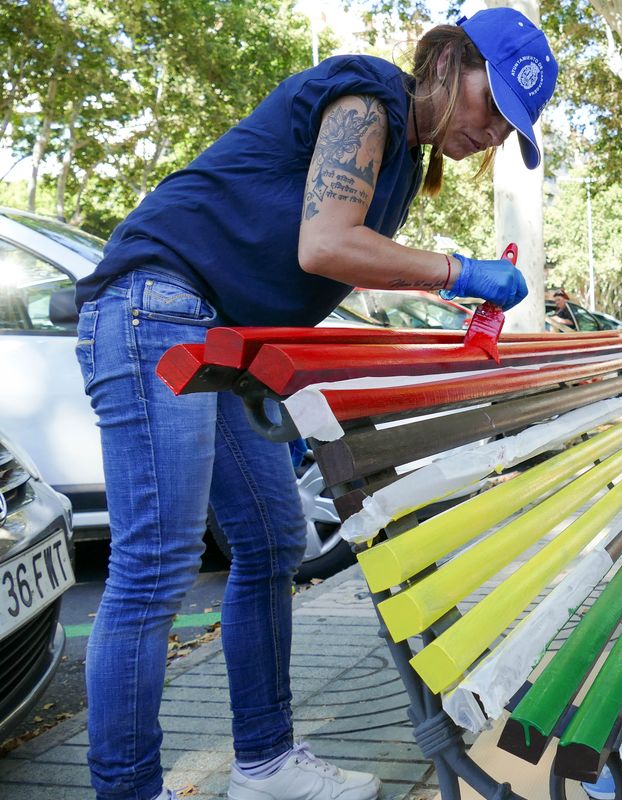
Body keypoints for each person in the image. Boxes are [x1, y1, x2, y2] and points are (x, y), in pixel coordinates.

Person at [72, 9, 557, 800]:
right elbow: (324, 245)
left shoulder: (402, 163)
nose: (495, 133)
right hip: (154, 307)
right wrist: (460, 272)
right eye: (494, 104)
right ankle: (126, 790)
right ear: (447, 63)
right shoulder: (369, 99)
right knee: (155, 565)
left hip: (228, 340)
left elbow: (317, 274)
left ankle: (264, 763)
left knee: (270, 544)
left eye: (512, 125)